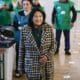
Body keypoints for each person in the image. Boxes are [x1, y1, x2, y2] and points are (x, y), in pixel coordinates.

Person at [17, 8, 55, 80]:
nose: (38, 18)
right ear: (31, 17)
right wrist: (20, 67)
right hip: (31, 66)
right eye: (35, 16)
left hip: (47, 65)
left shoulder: (49, 28)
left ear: (43, 17)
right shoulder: (25, 30)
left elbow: (54, 45)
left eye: (40, 16)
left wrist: (47, 56)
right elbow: (21, 49)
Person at [13, 0, 32, 77]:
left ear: (31, 5)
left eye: (27, 4)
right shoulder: (17, 14)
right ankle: (18, 69)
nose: (25, 6)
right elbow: (14, 25)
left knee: (29, 54)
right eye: (24, 4)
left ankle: (28, 69)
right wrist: (19, 27)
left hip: (30, 38)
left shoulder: (33, 14)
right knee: (19, 53)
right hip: (19, 37)